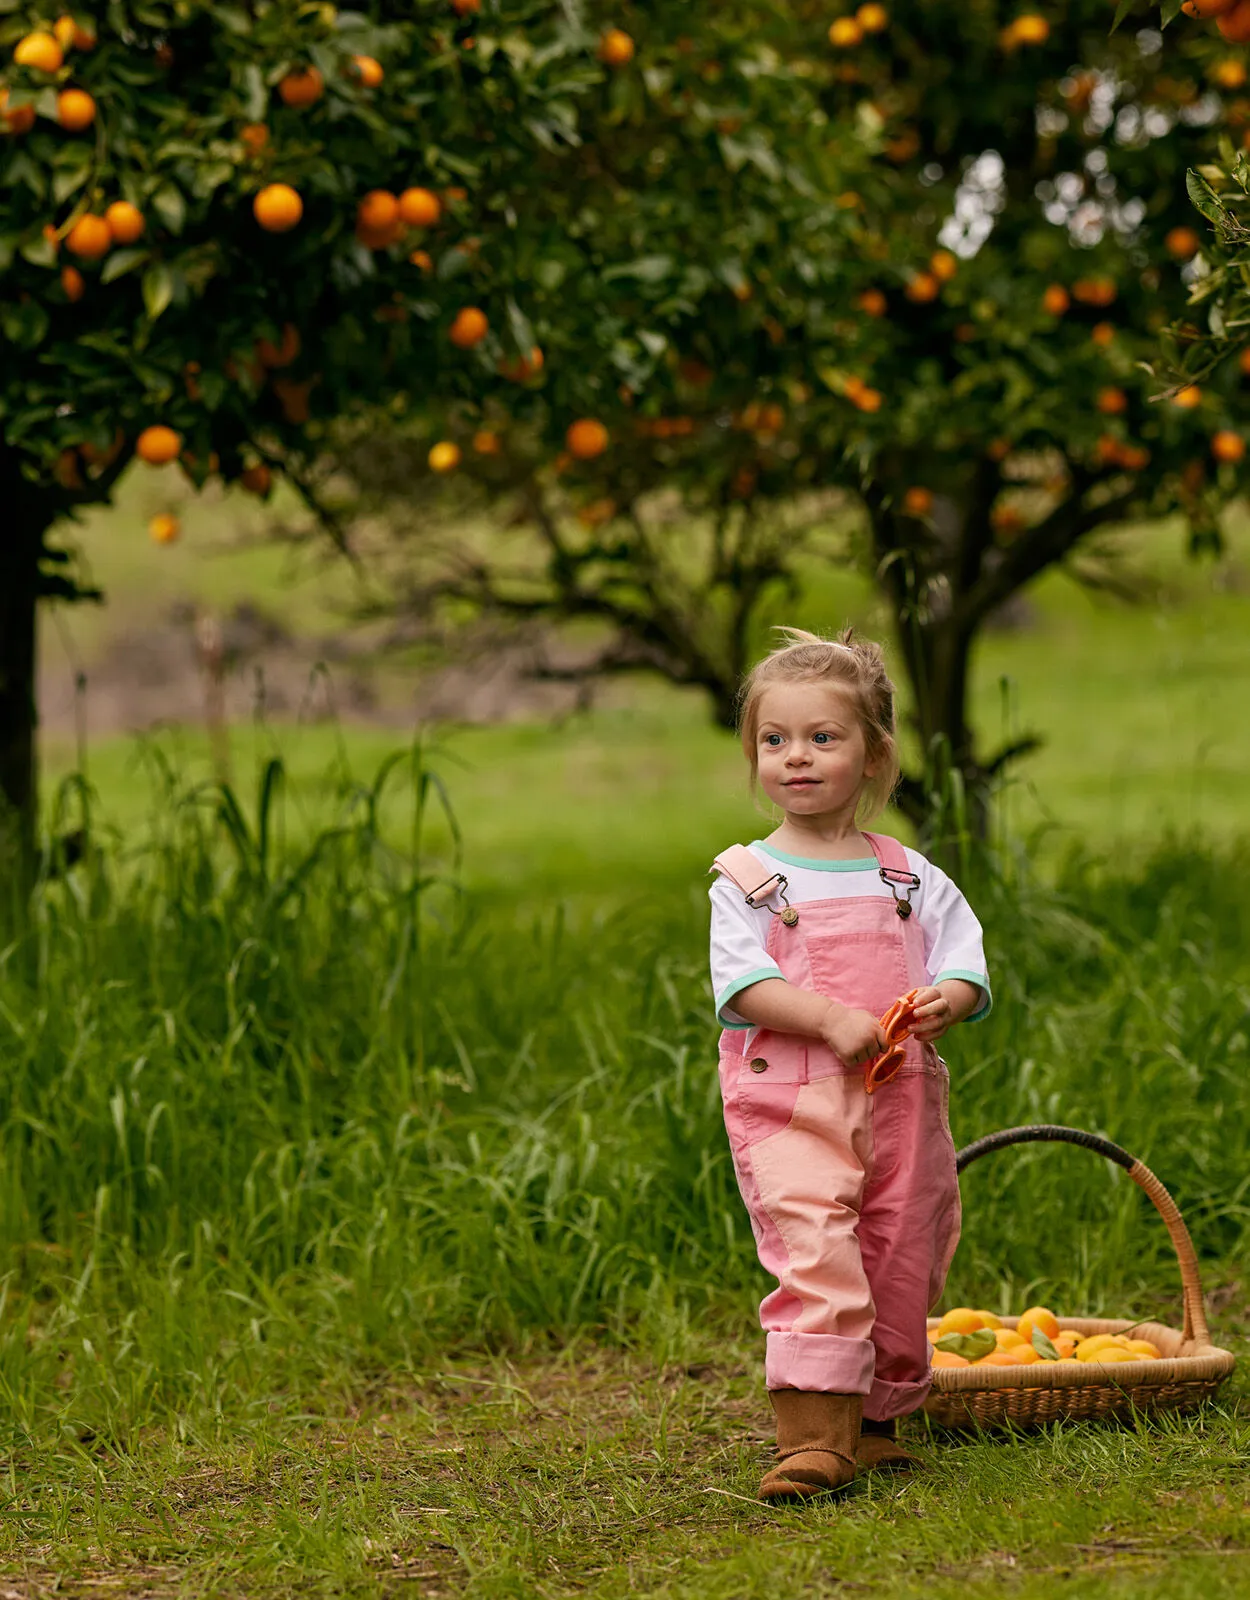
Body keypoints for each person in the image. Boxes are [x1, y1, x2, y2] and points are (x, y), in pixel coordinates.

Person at [708, 626, 991, 1502]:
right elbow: (745, 984)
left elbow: (966, 962)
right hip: (791, 1103)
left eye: (823, 738)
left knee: (902, 1248)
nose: (797, 758)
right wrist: (828, 1017)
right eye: (775, 740)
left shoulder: (908, 877)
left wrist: (952, 995)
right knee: (816, 1246)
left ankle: (875, 1424)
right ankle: (812, 1436)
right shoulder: (748, 878)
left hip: (902, 1097)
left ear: (874, 756)